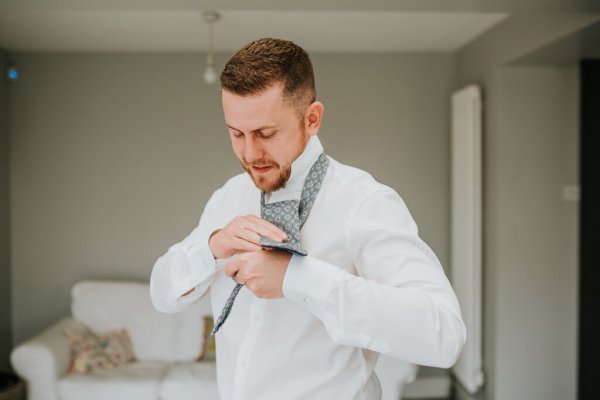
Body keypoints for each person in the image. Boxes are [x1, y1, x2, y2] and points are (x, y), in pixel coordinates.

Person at [150, 37, 466, 400]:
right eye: (236, 134)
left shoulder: (363, 202)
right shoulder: (228, 197)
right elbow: (162, 294)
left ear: (311, 119)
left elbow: (443, 334)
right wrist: (211, 248)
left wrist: (298, 278)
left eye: (265, 134)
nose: (250, 153)